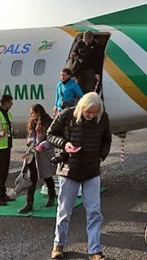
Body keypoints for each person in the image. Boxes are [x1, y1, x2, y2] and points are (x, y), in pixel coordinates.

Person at [47, 92, 112, 260]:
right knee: (64, 211)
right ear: (81, 107)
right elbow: (50, 134)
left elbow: (107, 139)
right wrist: (64, 144)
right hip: (69, 170)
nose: (91, 115)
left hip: (92, 170)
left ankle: (95, 250)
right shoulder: (66, 115)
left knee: (94, 212)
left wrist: (101, 157)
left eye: (95, 112)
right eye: (88, 112)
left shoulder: (103, 118)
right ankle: (58, 244)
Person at [18, 104, 57, 214]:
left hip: (43, 154)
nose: (31, 115)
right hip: (32, 154)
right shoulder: (32, 123)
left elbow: (51, 138)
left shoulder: (48, 123)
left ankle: (52, 195)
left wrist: (41, 146)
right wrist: (29, 145)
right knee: (31, 179)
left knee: (46, 176)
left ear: (38, 113)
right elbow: (30, 138)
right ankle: (29, 203)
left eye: (32, 113)